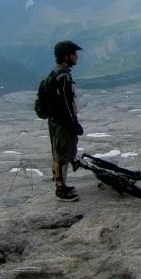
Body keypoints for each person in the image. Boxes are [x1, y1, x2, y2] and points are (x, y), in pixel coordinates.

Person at [46, 40, 84, 202]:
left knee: (60, 154)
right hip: (63, 123)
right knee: (61, 156)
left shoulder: (57, 73)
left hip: (57, 121)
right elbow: (66, 102)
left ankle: (62, 186)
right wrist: (73, 122)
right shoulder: (63, 76)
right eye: (74, 54)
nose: (76, 57)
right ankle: (61, 190)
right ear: (65, 56)